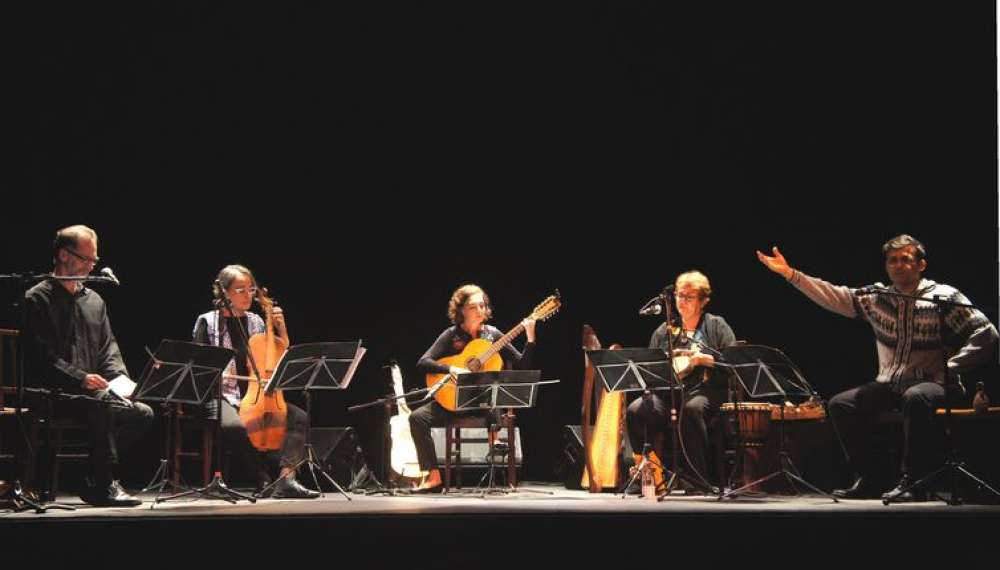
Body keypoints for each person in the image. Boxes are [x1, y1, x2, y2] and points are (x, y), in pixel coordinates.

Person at [757, 235, 998, 500]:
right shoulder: (878, 297)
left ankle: (914, 481)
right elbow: (835, 295)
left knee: (916, 397)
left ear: (921, 265)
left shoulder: (945, 297)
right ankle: (870, 477)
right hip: (890, 384)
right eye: (892, 260)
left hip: (936, 383)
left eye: (905, 259)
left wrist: (953, 366)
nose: (898, 265)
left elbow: (987, 334)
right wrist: (791, 274)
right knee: (840, 404)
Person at [23, 225, 153, 507]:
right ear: (62, 255)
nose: (91, 266)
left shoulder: (94, 301)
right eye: (85, 258)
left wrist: (120, 380)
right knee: (101, 403)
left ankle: (90, 475)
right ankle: (104, 483)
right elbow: (41, 357)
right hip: (55, 391)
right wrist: (80, 378)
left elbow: (109, 350)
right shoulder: (37, 298)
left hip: (94, 393)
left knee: (142, 413)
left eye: (93, 260)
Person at [192, 264, 318, 499]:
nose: (248, 295)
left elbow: (278, 358)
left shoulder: (256, 322)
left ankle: (286, 479)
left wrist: (281, 329)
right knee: (234, 427)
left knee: (299, 417)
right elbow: (200, 367)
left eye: (251, 289)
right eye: (240, 290)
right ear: (223, 293)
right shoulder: (207, 322)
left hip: (255, 396)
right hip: (219, 396)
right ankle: (261, 476)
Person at [409, 284, 537, 493]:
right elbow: (423, 362)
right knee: (416, 418)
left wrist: (530, 338)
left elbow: (522, 365)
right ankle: (433, 476)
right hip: (452, 400)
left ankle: (495, 439)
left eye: (482, 305)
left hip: (482, 404)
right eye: (474, 306)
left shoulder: (493, 335)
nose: (481, 310)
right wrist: (450, 368)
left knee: (493, 391)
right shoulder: (452, 336)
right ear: (461, 311)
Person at [626, 270, 736, 493]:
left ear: (703, 301)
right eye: (678, 295)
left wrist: (706, 360)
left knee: (691, 409)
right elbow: (650, 366)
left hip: (707, 391)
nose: (681, 301)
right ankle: (652, 473)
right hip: (670, 392)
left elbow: (734, 361)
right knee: (636, 410)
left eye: (688, 297)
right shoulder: (665, 329)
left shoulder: (716, 325)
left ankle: (697, 480)